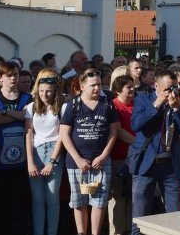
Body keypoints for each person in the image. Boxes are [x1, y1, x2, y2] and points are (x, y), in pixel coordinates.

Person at [129, 69, 180, 224]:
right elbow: (136, 125)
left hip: (170, 165)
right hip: (146, 164)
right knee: (140, 216)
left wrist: (177, 110)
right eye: (166, 89)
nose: (171, 92)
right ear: (156, 85)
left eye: (173, 88)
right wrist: (156, 105)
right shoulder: (143, 100)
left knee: (175, 216)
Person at [60, 69, 119, 235]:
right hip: (76, 162)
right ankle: (81, 232)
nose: (97, 88)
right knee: (79, 201)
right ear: (82, 86)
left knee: (99, 201)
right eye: (93, 85)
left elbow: (113, 132)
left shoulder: (107, 104)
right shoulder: (73, 106)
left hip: (100, 161)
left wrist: (104, 156)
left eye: (99, 84)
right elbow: (64, 134)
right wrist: (78, 159)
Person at [0, 60, 33, 234]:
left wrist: (4, 112)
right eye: (9, 75)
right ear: (0, 78)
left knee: (19, 201)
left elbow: (31, 118)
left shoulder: (28, 97)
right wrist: (19, 116)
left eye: (16, 75)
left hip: (23, 160)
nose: (13, 79)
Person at [24, 70, 66, 235]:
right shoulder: (31, 107)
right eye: (41, 91)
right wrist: (30, 162)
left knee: (52, 198)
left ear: (55, 90)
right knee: (38, 200)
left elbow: (62, 135)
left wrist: (52, 161)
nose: (44, 94)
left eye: (48, 90)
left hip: (54, 151)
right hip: (35, 151)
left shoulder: (63, 107)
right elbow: (28, 133)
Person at [107, 75, 136, 235]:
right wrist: (140, 144)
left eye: (132, 86)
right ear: (118, 90)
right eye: (128, 87)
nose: (132, 89)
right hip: (119, 157)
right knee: (118, 197)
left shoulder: (136, 105)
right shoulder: (114, 106)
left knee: (131, 198)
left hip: (135, 157)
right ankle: (116, 231)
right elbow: (118, 131)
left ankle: (131, 230)